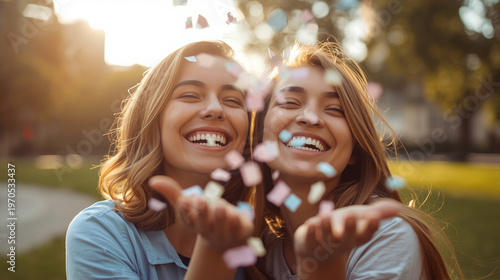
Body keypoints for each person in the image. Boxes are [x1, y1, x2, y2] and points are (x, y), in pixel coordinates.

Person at [248, 41, 463, 279]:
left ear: (354, 151)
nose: (310, 118)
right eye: (290, 102)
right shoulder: (261, 245)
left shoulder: (386, 235)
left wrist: (323, 267)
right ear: (259, 136)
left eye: (334, 109)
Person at [66, 40, 255, 280]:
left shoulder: (266, 242)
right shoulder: (98, 234)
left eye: (232, 100)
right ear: (153, 118)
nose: (215, 109)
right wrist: (216, 251)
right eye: (190, 95)